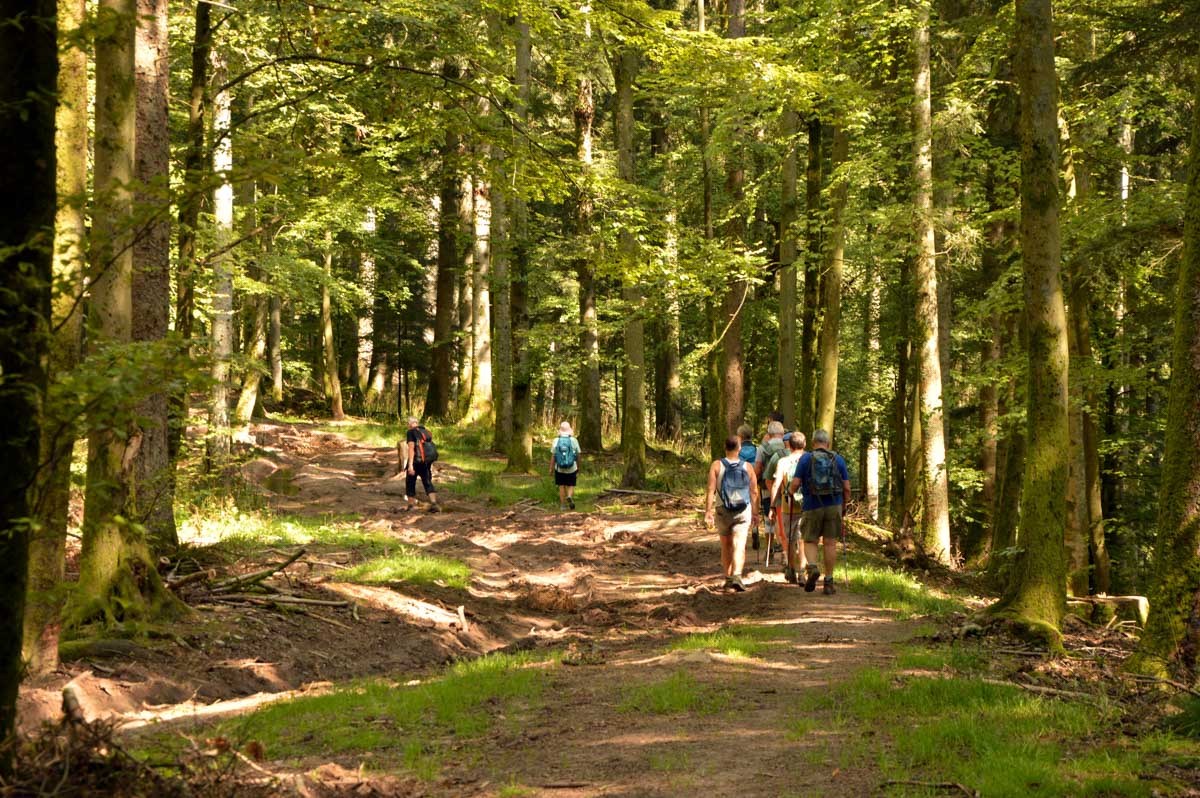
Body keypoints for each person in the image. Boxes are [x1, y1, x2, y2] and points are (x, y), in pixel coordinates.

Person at [788, 428, 850, 594]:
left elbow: (795, 484)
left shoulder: (806, 458)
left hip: (812, 505)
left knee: (810, 540)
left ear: (813, 442)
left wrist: (790, 492)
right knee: (830, 543)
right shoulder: (838, 459)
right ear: (828, 443)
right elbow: (846, 487)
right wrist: (844, 505)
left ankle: (813, 567)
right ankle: (828, 582)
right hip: (834, 505)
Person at [704, 435, 761, 592]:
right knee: (739, 544)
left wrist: (708, 511)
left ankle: (728, 579)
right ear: (739, 448)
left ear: (725, 447)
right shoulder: (747, 467)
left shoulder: (716, 465)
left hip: (722, 510)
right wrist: (756, 513)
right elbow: (754, 491)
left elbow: (710, 489)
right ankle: (737, 576)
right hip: (743, 510)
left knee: (726, 545)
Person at [768, 431, 807, 584]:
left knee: (790, 539)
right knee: (803, 539)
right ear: (804, 444)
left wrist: (772, 506)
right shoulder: (809, 459)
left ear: (789, 445)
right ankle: (802, 572)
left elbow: (776, 485)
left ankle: (791, 569)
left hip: (788, 505)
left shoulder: (783, 462)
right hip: (807, 505)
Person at [755, 420, 788, 553]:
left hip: (767, 487)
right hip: (786, 487)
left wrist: (753, 481)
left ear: (769, 434)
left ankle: (770, 549)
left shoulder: (762, 448)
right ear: (782, 433)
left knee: (769, 518)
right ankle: (786, 549)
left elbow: (758, 469)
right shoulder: (787, 446)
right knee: (785, 517)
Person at [403, 417, 441, 512]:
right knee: (427, 481)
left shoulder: (411, 432)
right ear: (417, 422)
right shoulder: (425, 431)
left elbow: (411, 448)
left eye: (407, 423)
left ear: (409, 424)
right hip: (425, 462)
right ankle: (434, 503)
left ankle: (411, 506)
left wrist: (410, 465)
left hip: (416, 461)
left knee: (410, 482)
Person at [550, 421, 581, 511]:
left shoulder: (556, 440)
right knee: (571, 485)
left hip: (559, 468)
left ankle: (563, 506)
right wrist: (579, 466)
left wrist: (551, 468)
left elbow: (553, 456)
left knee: (561, 486)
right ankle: (569, 496)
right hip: (572, 467)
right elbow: (578, 455)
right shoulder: (574, 440)